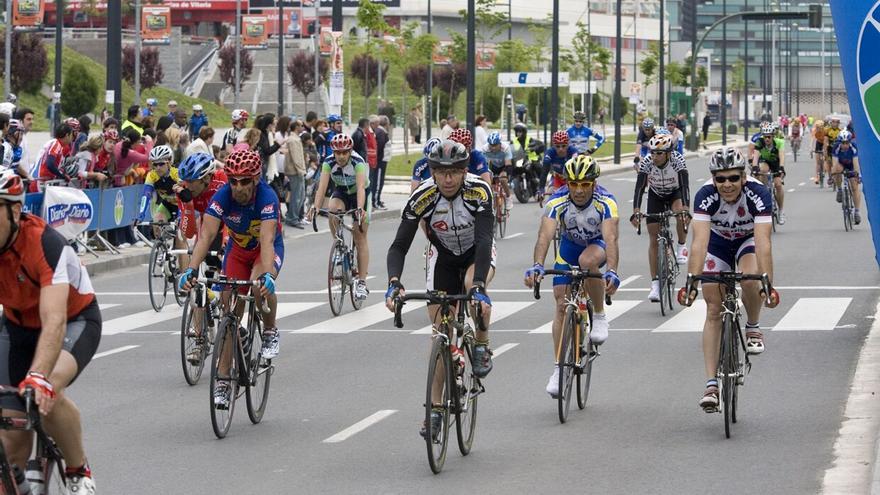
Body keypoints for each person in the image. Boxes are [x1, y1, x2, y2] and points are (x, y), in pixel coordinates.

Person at [0, 168, 101, 493]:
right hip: (16, 326)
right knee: (10, 438)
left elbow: (54, 318)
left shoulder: (44, 243)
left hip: (74, 320)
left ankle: (77, 470)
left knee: (45, 393)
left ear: (15, 210)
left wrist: (39, 375)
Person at [385, 141, 496, 421]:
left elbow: (484, 240)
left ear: (464, 171)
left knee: (474, 291)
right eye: (441, 172)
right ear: (432, 172)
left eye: (454, 172)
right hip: (443, 256)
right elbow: (399, 246)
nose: (448, 179)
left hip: (475, 254)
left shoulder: (479, 191)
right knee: (439, 332)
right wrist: (394, 282)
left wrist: (480, 284)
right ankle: (435, 409)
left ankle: (481, 343)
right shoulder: (423, 196)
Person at [178, 150, 283, 408]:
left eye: (245, 181)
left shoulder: (267, 198)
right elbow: (205, 236)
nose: (238, 187)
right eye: (233, 180)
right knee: (229, 311)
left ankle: (269, 331)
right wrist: (191, 270)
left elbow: (267, 241)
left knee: (259, 289)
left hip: (263, 252)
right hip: (236, 253)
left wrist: (268, 275)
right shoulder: (222, 196)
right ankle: (224, 380)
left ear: (256, 179)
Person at [678, 147, 779, 412]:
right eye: (720, 179)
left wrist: (767, 283)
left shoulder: (758, 194)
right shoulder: (705, 196)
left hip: (747, 241)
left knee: (749, 279)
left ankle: (753, 326)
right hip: (717, 244)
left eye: (733, 178)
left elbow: (763, 242)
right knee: (712, 307)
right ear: (713, 180)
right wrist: (691, 282)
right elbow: (699, 242)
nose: (727, 184)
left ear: (743, 177)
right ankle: (711, 385)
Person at [524, 155, 621, 397]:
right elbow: (545, 236)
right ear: (566, 183)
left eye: (584, 184)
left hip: (595, 246)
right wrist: (537, 265)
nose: (578, 190)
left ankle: (598, 314)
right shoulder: (558, 201)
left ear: (594, 184)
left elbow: (611, 239)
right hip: (569, 248)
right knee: (560, 303)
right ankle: (559, 368)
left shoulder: (606, 202)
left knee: (587, 262)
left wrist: (612, 271)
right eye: (573, 183)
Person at [306, 134, 372, 300]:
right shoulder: (328, 162)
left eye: (344, 152)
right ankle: (338, 244)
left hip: (360, 193)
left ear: (350, 151)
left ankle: (362, 282)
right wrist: (315, 206)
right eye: (338, 153)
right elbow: (322, 187)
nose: (341, 156)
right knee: (332, 209)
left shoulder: (358, 163)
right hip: (342, 191)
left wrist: (359, 209)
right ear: (333, 152)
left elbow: (361, 188)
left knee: (359, 234)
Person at [630, 134, 691, 301]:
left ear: (668, 153)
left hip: (674, 193)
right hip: (656, 194)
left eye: (659, 153)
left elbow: (685, 186)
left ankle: (681, 245)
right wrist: (636, 210)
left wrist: (685, 209)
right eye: (652, 152)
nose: (654, 156)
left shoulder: (678, 161)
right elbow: (639, 188)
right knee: (654, 237)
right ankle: (655, 283)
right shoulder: (647, 162)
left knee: (680, 213)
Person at [751, 123, 786, 224]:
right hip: (765, 161)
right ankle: (765, 190)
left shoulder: (779, 142)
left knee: (778, 184)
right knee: (762, 170)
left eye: (769, 137)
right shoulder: (759, 142)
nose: (767, 139)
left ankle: (781, 211)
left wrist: (781, 168)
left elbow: (782, 156)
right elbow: (756, 156)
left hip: (776, 163)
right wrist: (754, 167)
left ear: (773, 136)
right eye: (765, 137)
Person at [137, 145, 180, 224]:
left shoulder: (176, 173)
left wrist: (181, 216)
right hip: (168, 203)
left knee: (182, 231)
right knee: (157, 221)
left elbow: (184, 196)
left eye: (161, 164)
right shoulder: (152, 175)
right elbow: (145, 195)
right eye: (155, 165)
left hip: (183, 205)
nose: (158, 168)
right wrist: (141, 215)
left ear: (169, 162)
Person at [832, 130, 862, 224]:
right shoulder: (836, 147)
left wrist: (857, 175)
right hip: (841, 164)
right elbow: (835, 162)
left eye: (847, 143)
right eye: (843, 143)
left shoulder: (853, 147)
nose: (845, 145)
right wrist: (832, 175)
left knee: (854, 187)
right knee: (836, 170)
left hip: (851, 165)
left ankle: (857, 212)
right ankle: (840, 189)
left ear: (850, 142)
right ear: (839, 142)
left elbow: (856, 162)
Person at [283, 120, 307, 228]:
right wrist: (301, 170)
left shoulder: (294, 139)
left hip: (296, 170)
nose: (303, 127)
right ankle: (292, 218)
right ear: (296, 127)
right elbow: (296, 157)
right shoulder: (293, 140)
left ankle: (293, 216)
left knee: (299, 195)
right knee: (297, 196)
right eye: (301, 125)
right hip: (296, 171)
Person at [481, 131, 513, 209]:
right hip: (493, 166)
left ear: (500, 143)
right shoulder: (485, 149)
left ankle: (508, 197)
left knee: (503, 179)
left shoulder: (505, 148)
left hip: (504, 166)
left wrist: (504, 173)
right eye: (491, 145)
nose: (493, 147)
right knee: (487, 180)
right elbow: (484, 164)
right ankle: (490, 199)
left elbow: (508, 164)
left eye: (495, 145)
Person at [543, 130, 579, 196]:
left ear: (568, 144)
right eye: (557, 146)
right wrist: (541, 189)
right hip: (557, 178)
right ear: (553, 145)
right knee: (551, 195)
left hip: (570, 178)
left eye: (564, 146)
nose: (561, 149)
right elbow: (544, 172)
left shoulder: (573, 151)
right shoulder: (550, 152)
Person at [370, 116, 388, 211]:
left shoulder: (379, 131)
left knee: (378, 181)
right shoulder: (381, 132)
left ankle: (377, 200)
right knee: (378, 182)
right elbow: (379, 147)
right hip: (380, 161)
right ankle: (375, 202)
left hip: (380, 160)